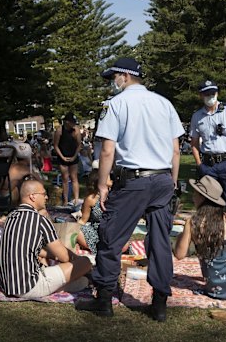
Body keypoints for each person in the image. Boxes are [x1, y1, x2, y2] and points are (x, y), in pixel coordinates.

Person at [75, 57, 184, 322]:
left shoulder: (115, 105)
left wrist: (102, 184)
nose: (112, 82)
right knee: (159, 242)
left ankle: (104, 300)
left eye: (113, 77)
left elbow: (108, 149)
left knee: (110, 238)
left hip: (133, 181)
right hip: (162, 179)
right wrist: (172, 182)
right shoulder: (164, 103)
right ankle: (159, 303)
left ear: (124, 76)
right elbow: (175, 149)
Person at [0, 179, 92, 298]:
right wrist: (78, 260)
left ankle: (73, 283)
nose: (46, 197)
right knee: (85, 262)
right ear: (32, 196)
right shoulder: (39, 220)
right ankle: (68, 284)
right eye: (43, 194)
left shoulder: (11, 217)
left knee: (79, 278)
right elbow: (65, 257)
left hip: (7, 285)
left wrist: (49, 255)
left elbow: (25, 246)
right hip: (28, 286)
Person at [189, 79, 226, 252]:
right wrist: (199, 163)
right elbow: (194, 142)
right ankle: (210, 237)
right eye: (206, 94)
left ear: (217, 94)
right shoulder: (197, 116)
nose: (210, 97)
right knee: (207, 204)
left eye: (212, 93)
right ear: (201, 95)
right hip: (207, 164)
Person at [0, 142, 41, 206]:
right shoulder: (25, 169)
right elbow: (41, 183)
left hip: (2, 194)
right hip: (9, 197)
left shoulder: (10, 166)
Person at [53, 112, 82, 205]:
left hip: (73, 155)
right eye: (72, 122)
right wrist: (62, 157)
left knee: (74, 178)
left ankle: (76, 199)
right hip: (63, 156)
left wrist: (74, 156)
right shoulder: (60, 130)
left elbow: (79, 145)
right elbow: (56, 145)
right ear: (67, 122)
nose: (74, 124)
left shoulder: (76, 130)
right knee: (65, 179)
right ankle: (65, 200)